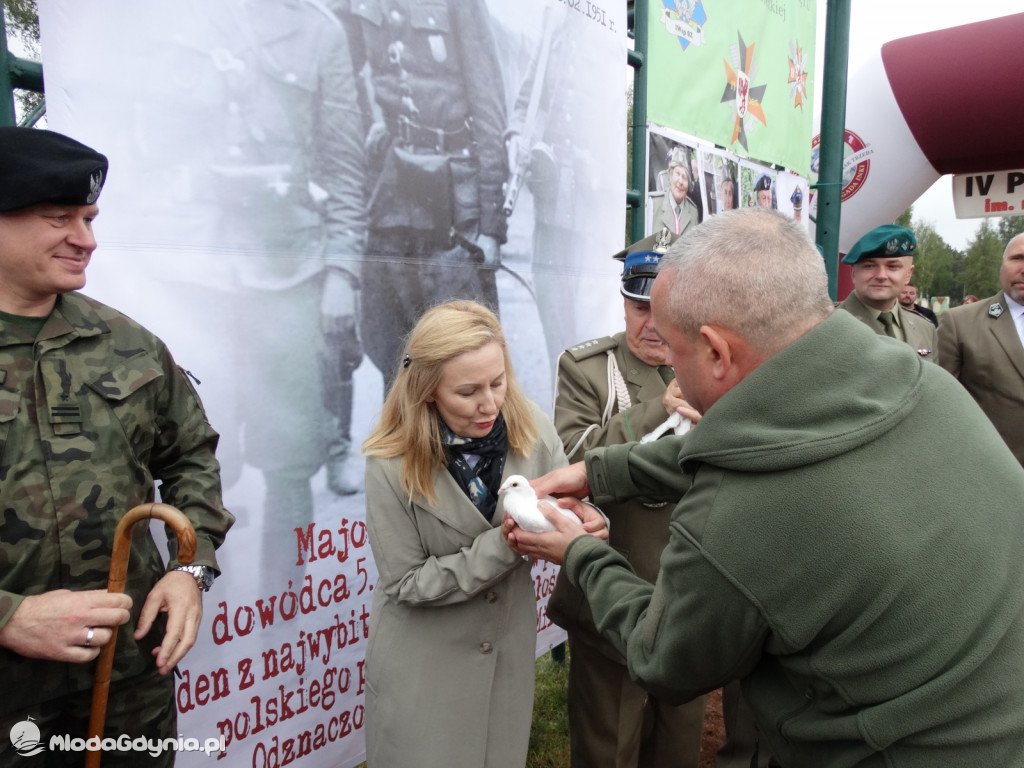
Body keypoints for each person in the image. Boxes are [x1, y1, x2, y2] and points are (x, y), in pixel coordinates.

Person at [504, 208, 1024, 767]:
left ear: (717, 352)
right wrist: (602, 471)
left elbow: (664, 660)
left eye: (676, 350)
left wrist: (581, 554)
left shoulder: (739, 513)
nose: (667, 362)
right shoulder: (916, 383)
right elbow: (772, 443)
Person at [0, 128, 234, 765]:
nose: (86, 239)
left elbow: (190, 456)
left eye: (89, 218)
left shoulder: (126, 343)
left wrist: (190, 569)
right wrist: (8, 616)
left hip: (125, 676)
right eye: (59, 218)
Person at [360, 300, 605, 768]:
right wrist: (507, 543)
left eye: (498, 381)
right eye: (468, 391)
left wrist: (589, 519)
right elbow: (406, 582)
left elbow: (563, 500)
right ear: (427, 390)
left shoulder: (530, 426)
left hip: (505, 657)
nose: (489, 403)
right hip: (424, 671)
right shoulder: (389, 461)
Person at [547, 228, 706, 768]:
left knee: (679, 741)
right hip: (616, 583)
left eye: (665, 310)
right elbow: (572, 458)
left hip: (690, 591)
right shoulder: (590, 368)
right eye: (641, 307)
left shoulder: (710, 361)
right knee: (610, 744)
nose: (653, 324)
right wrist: (660, 408)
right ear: (624, 301)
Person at [340, 0, 510, 391]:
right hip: (391, 199)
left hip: (453, 208)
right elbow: (337, 69)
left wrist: (490, 228)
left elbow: (488, 108)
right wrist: (370, 127)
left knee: (462, 360)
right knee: (394, 363)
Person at [938, 232, 1024, 466]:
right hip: (990, 468)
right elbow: (939, 403)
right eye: (1018, 258)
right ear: (1002, 266)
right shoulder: (960, 322)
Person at [838, 224, 938, 362]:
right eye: (869, 266)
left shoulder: (925, 328)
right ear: (853, 273)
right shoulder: (824, 324)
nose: (881, 275)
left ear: (908, 274)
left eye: (893, 267)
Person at [654, 147, 700, 235]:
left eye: (684, 177)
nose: (680, 181)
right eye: (677, 174)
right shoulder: (655, 204)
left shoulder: (693, 212)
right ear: (670, 176)